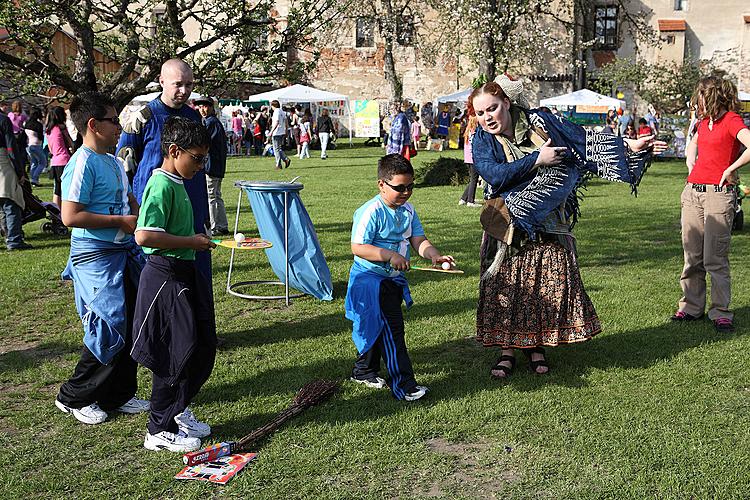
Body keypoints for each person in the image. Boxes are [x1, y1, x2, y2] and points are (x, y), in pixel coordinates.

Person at [470, 75, 665, 378]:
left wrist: (628, 145)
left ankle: (536, 347)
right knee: (506, 286)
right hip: (505, 224)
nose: (487, 118)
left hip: (547, 222)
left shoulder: (542, 123)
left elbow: (581, 141)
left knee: (540, 285)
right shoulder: (481, 139)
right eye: (480, 113)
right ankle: (506, 351)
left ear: (507, 103)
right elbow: (495, 175)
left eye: (492, 109)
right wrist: (537, 159)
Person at [54, 91, 149, 425]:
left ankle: (117, 395)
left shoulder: (111, 160)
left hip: (124, 252)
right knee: (107, 324)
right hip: (95, 256)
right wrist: (120, 222)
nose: (119, 126)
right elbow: (70, 216)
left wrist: (137, 212)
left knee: (131, 320)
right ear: (93, 125)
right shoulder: (81, 163)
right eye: (113, 120)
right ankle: (74, 396)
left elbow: (127, 198)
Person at [131, 116, 217, 452]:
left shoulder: (178, 181)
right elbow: (144, 235)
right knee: (173, 353)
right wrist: (189, 242)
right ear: (173, 150)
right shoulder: (162, 184)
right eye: (196, 158)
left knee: (201, 346)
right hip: (164, 276)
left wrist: (196, 240)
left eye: (204, 160)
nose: (200, 166)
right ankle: (158, 429)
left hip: (184, 272)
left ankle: (177, 411)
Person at [345, 153, 454, 401]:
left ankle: (363, 371)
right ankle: (405, 386)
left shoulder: (408, 210)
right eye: (399, 187)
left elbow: (419, 240)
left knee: (376, 326)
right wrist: (389, 255)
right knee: (392, 331)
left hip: (391, 279)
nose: (406, 192)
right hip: (369, 281)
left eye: (410, 186)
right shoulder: (370, 211)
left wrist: (434, 256)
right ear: (382, 185)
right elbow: (358, 247)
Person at [117, 58, 212, 283]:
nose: (184, 90)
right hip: (156, 205)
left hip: (190, 201)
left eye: (189, 85)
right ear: (161, 81)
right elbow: (124, 165)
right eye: (178, 84)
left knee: (195, 271)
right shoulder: (142, 118)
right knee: (157, 274)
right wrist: (133, 204)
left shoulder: (194, 117)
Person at [671, 77, 750, 333]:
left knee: (714, 257)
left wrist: (731, 168)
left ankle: (720, 311)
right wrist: (690, 164)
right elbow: (692, 145)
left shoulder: (731, 121)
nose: (698, 102)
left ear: (713, 96)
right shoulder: (703, 123)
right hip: (692, 193)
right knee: (692, 257)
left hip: (719, 194)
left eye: (701, 97)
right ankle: (691, 307)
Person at [194, 97, 229, 236]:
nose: (203, 110)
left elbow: (206, 144)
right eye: (200, 107)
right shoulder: (213, 122)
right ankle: (222, 225)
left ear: (211, 107)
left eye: (205, 107)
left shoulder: (211, 123)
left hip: (212, 165)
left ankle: (214, 226)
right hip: (217, 165)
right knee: (217, 195)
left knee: (211, 196)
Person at [0, 107, 31, 250]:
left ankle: (9, 236)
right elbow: (11, 147)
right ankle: (14, 240)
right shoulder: (3, 120)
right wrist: (20, 172)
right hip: (3, 162)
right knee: (11, 202)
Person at [46, 106, 74, 208]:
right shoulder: (61, 128)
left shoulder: (48, 130)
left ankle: (57, 212)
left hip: (55, 161)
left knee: (57, 189)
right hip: (65, 160)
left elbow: (50, 149)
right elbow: (71, 143)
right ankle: (67, 210)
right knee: (67, 188)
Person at [458, 108, 480, 208]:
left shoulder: (468, 132)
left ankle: (463, 198)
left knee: (473, 179)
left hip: (468, 158)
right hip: (473, 158)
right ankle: (470, 200)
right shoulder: (475, 132)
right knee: (474, 179)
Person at [24, 108, 47, 187]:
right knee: (43, 162)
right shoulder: (38, 125)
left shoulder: (27, 123)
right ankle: (34, 178)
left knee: (34, 163)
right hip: (36, 145)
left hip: (28, 146)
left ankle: (33, 180)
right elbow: (40, 137)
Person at [269, 100, 291, 169]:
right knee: (278, 148)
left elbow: (276, 122)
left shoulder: (276, 112)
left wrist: (271, 131)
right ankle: (285, 159)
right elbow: (286, 120)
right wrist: (286, 129)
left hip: (276, 132)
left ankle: (278, 164)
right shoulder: (282, 111)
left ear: (274, 105)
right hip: (282, 131)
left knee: (276, 149)